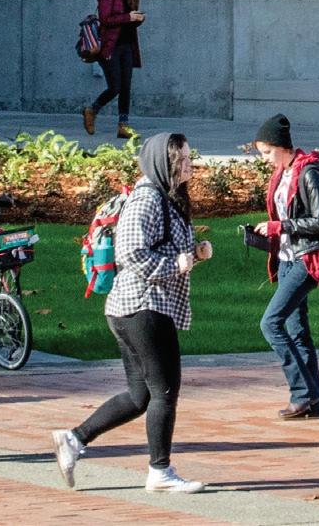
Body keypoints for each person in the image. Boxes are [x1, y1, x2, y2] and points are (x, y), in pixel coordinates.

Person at [52, 133, 212, 494]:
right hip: (143, 308)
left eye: (189, 157)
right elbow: (129, 252)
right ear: (162, 163)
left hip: (132, 309)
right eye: (181, 159)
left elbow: (162, 248)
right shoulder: (147, 198)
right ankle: (160, 472)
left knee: (141, 396)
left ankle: (73, 439)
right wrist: (175, 264)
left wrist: (194, 254)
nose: (188, 165)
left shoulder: (166, 196)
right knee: (165, 392)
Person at [246, 114, 319, 420]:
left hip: (306, 259)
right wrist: (268, 231)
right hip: (285, 258)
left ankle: (302, 393)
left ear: (281, 147)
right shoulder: (282, 174)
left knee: (270, 324)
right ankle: (314, 403)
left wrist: (280, 226)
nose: (265, 159)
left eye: (267, 152)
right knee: (297, 331)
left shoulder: (308, 173)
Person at [84, 0, 144, 140]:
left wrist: (138, 19)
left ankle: (123, 126)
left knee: (126, 87)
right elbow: (105, 19)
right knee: (115, 87)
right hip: (110, 46)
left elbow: (128, 21)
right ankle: (92, 110)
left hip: (128, 46)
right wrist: (128, 17)